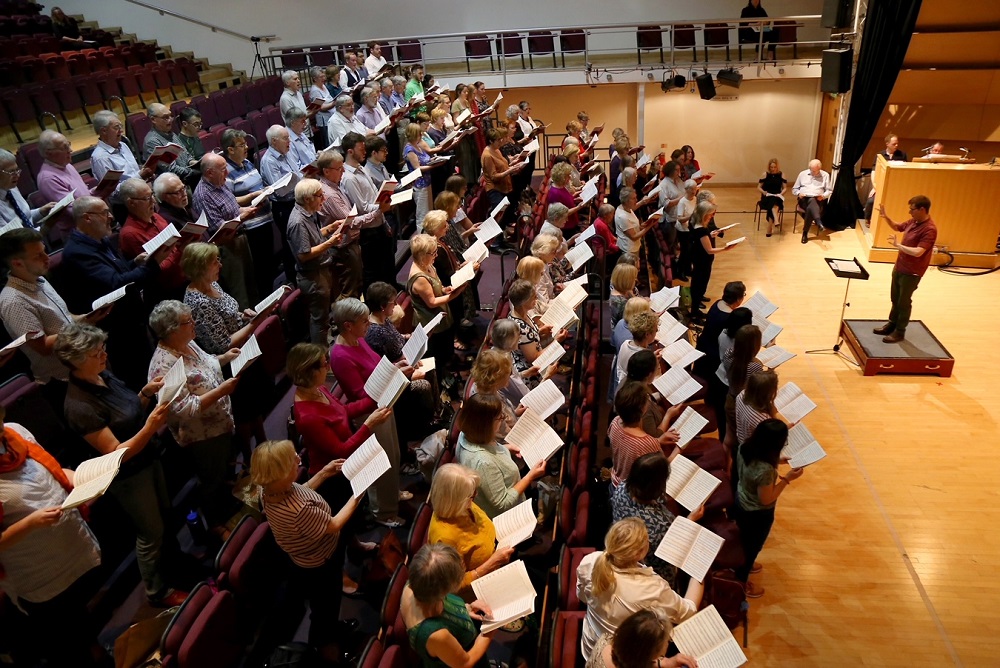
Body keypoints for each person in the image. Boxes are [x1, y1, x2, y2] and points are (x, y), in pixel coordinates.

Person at [54, 323, 181, 606]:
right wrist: (150, 428)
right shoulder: (79, 406)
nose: (104, 354)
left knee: (166, 514)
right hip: (129, 476)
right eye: (96, 351)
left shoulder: (102, 375)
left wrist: (145, 395)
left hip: (148, 457)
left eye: (103, 348)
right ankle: (157, 592)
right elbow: (114, 452)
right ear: (76, 360)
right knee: (151, 532)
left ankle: (175, 566)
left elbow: (126, 414)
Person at [0, 409, 105, 667]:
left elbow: (53, 471)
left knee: (82, 623)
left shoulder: (15, 431)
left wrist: (81, 480)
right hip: (38, 574)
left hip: (70, 549)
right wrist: (30, 523)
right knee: (68, 647)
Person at [249, 439, 359, 662]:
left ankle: (331, 630)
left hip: (304, 559)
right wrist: (358, 494)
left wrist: (325, 473)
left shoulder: (269, 491)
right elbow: (335, 524)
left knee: (326, 606)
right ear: (279, 473)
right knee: (325, 610)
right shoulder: (300, 511)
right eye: (293, 461)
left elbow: (303, 489)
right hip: (321, 564)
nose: (299, 459)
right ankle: (330, 652)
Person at [147, 300, 242, 534]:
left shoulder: (186, 343)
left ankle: (228, 505)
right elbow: (182, 409)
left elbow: (206, 363)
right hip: (201, 436)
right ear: (171, 330)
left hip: (220, 423)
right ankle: (216, 524)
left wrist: (224, 358)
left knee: (222, 472)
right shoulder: (163, 366)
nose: (194, 324)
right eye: (188, 321)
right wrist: (220, 391)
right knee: (210, 481)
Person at [60, 197, 163, 390]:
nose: (110, 217)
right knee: (137, 376)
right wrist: (153, 265)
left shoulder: (98, 240)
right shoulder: (77, 252)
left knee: (148, 367)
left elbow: (118, 272)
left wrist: (135, 263)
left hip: (131, 318)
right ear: (87, 218)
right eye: (104, 213)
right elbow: (114, 284)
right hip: (117, 326)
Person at [0, 228, 110, 406]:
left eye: (45, 251)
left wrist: (85, 318)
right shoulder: (14, 301)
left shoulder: (39, 279)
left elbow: (64, 318)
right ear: (17, 263)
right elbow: (42, 346)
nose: (47, 258)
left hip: (85, 365)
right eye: (38, 256)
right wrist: (79, 328)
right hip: (64, 381)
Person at [576, 518, 702, 661]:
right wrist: (699, 575)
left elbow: (582, 597)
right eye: (647, 541)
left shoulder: (590, 560)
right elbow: (688, 612)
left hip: (592, 645)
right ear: (639, 554)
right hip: (624, 658)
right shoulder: (651, 589)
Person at [329, 299, 407, 527]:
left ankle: (392, 495)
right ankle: (383, 511)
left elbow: (377, 367)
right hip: (369, 414)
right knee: (381, 461)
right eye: (364, 322)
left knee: (393, 454)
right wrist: (393, 381)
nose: (368, 325)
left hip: (383, 404)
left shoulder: (359, 339)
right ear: (348, 325)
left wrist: (395, 369)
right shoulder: (341, 355)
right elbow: (360, 394)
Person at [287, 342, 392, 506]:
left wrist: (376, 398)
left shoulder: (317, 389)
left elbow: (343, 411)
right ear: (310, 372)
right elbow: (340, 451)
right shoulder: (308, 417)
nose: (328, 367)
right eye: (324, 364)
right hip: (335, 478)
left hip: (348, 463)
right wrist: (369, 424)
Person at [734, 419, 804, 597]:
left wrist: (777, 461)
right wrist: (787, 479)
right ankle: (741, 583)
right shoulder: (765, 470)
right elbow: (766, 499)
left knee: (745, 541)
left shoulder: (744, 446)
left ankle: (746, 564)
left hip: (740, 500)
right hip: (757, 514)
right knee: (752, 547)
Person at [427, 463, 515, 600]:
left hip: (498, 563)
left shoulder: (463, 505)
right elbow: (453, 587)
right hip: (478, 593)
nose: (475, 495)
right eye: (471, 496)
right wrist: (491, 563)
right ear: (455, 501)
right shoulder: (445, 538)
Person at [401, 543, 494, 668]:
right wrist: (490, 630)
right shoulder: (435, 634)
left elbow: (445, 606)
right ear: (442, 591)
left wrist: (467, 608)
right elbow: (465, 663)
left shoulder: (414, 585)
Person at [611, 452, 699, 585]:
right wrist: (691, 519)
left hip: (626, 546)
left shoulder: (622, 487)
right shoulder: (660, 524)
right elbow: (674, 547)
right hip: (653, 570)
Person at [455, 393, 547, 519]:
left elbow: (487, 448)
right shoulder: (483, 463)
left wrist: (505, 448)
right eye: (500, 417)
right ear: (485, 425)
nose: (503, 419)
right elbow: (503, 503)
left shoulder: (467, 434)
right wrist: (530, 476)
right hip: (508, 517)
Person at [191, 153, 259, 308]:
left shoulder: (220, 183)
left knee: (251, 283)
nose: (227, 173)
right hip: (227, 248)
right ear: (209, 173)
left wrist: (245, 210)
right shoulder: (203, 195)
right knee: (239, 291)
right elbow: (218, 229)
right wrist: (242, 217)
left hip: (241, 238)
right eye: (223, 170)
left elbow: (233, 207)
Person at [873, 196, 937, 343]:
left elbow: (919, 252)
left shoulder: (929, 229)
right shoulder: (914, 221)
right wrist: (885, 217)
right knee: (895, 298)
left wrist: (898, 246)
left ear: (922, 209)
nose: (909, 212)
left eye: (912, 209)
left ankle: (900, 331)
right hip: (900, 267)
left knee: (903, 302)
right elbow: (897, 227)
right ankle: (891, 324)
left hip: (912, 272)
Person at [287, 178, 342, 344]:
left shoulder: (307, 214)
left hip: (320, 272)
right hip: (312, 277)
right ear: (307, 199)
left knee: (324, 315)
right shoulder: (298, 222)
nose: (323, 199)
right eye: (319, 196)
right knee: (319, 320)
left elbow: (314, 239)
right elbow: (304, 254)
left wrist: (329, 229)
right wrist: (330, 243)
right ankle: (321, 355)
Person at [118, 177, 190, 303]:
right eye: (146, 198)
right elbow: (158, 270)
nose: (153, 201)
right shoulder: (129, 234)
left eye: (152, 195)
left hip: (185, 278)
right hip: (169, 294)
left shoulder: (156, 217)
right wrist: (181, 249)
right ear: (131, 203)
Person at [341, 132, 396, 287]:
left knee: (387, 264)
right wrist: (383, 207)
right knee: (374, 271)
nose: (364, 152)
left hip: (379, 223)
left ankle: (392, 289)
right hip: (368, 231)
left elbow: (374, 195)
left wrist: (384, 222)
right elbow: (362, 208)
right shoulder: (349, 178)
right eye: (361, 149)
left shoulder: (361, 168)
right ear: (350, 151)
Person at [407, 233, 465, 368]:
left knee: (447, 348)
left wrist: (445, 290)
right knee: (439, 357)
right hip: (431, 321)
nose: (436, 255)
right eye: (433, 253)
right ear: (422, 255)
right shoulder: (419, 277)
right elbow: (431, 302)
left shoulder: (428, 264)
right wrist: (455, 294)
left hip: (441, 315)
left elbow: (436, 286)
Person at [608, 381, 678, 487]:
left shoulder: (615, 422)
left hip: (617, 480)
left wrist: (658, 441)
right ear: (642, 409)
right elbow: (664, 467)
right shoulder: (647, 442)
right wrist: (679, 449)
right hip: (635, 489)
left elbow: (629, 446)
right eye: (646, 397)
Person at [586, 608, 698, 668]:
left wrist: (665, 663)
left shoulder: (605, 641)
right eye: (667, 640)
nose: (668, 643)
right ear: (652, 655)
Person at [34, 130, 90, 245]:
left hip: (91, 225)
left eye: (68, 144)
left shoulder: (67, 165)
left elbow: (82, 196)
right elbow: (74, 210)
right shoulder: (48, 179)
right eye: (64, 147)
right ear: (49, 153)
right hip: (78, 235)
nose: (70, 150)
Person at [688, 200, 734, 323]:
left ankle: (695, 310)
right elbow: (709, 250)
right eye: (710, 214)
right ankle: (694, 315)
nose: (711, 216)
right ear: (705, 214)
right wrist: (726, 248)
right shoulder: (701, 230)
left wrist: (711, 234)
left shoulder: (694, 224)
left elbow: (702, 240)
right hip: (702, 262)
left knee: (697, 286)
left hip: (698, 261)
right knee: (699, 287)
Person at [724, 325, 764, 452]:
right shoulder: (755, 366)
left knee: (729, 436)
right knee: (741, 441)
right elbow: (757, 385)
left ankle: (728, 465)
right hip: (744, 404)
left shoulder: (729, 354)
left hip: (730, 399)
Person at [142, 103, 199, 187]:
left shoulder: (171, 133)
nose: (170, 120)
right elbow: (171, 169)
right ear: (153, 119)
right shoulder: (152, 141)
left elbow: (186, 155)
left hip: (186, 179)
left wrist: (197, 164)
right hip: (171, 186)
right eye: (165, 117)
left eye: (170, 116)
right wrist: (196, 172)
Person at [0, 149, 56, 232]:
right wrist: (45, 228)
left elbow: (23, 219)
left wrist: (41, 212)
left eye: (17, 170)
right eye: (11, 172)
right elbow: (9, 237)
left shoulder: (12, 187)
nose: (17, 175)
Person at [792, 159, 832, 244]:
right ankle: (818, 221)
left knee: (811, 205)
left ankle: (805, 233)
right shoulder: (802, 174)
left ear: (819, 169)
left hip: (818, 200)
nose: (813, 173)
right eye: (812, 171)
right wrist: (799, 193)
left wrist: (823, 196)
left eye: (815, 171)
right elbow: (794, 189)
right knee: (811, 202)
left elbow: (829, 190)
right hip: (804, 199)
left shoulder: (825, 175)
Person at [404, 123, 435, 231]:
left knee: (429, 212)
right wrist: (433, 166)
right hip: (419, 185)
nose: (421, 135)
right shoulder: (409, 149)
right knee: (422, 215)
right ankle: (422, 242)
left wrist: (433, 161)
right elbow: (417, 168)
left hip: (427, 182)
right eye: (418, 134)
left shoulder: (417, 145)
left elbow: (425, 160)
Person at [615, 187, 659, 258]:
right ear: (626, 201)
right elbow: (634, 237)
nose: (636, 200)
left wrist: (641, 226)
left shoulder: (625, 207)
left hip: (633, 246)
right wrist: (650, 225)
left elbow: (632, 224)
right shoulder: (622, 217)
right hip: (629, 249)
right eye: (633, 198)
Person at [307, 66, 337, 148]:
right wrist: (334, 103)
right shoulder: (315, 91)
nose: (324, 78)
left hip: (331, 116)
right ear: (315, 79)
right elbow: (321, 107)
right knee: (328, 143)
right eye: (321, 77)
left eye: (324, 76)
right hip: (324, 121)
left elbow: (329, 98)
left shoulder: (323, 86)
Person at [758, 158, 786, 237]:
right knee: (773, 203)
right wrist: (763, 192)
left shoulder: (782, 175)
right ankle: (776, 220)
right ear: (769, 167)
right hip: (767, 196)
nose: (773, 169)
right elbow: (758, 187)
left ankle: (769, 228)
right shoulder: (765, 174)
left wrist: (781, 193)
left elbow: (785, 188)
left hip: (777, 195)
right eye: (771, 167)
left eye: (774, 167)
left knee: (774, 202)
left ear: (777, 167)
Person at [609, 263, 639, 329]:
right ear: (627, 281)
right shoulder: (623, 303)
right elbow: (634, 324)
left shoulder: (616, 290)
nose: (636, 280)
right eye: (634, 278)